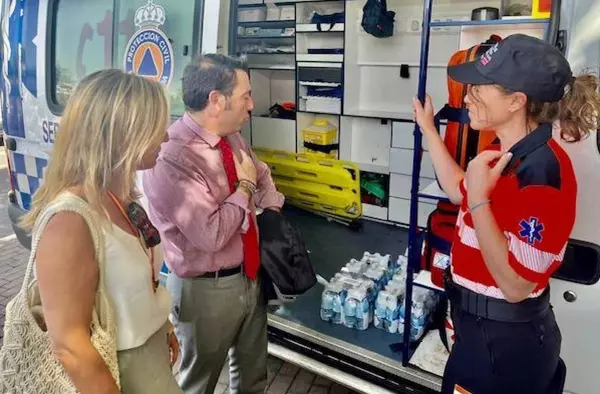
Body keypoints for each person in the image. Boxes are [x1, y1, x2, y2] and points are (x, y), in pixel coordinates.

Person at [412, 34, 600, 394]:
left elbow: (515, 286)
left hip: (504, 348)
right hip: (478, 335)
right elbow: (459, 189)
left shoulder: (542, 177)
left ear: (516, 101)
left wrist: (481, 200)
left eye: (478, 90)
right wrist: (428, 130)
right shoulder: (508, 152)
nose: (466, 97)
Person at [20, 69, 182, 394]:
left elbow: (132, 283)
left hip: (146, 361)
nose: (165, 137)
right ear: (122, 132)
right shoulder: (69, 219)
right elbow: (69, 344)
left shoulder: (118, 196)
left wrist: (159, 323)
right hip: (115, 373)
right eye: (156, 127)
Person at [142, 53, 285, 394]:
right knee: (199, 384)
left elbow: (260, 172)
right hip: (206, 291)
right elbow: (211, 234)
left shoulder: (231, 136)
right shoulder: (173, 156)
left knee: (253, 377)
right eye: (245, 96)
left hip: (249, 275)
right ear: (216, 101)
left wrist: (272, 209)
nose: (252, 105)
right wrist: (245, 189)